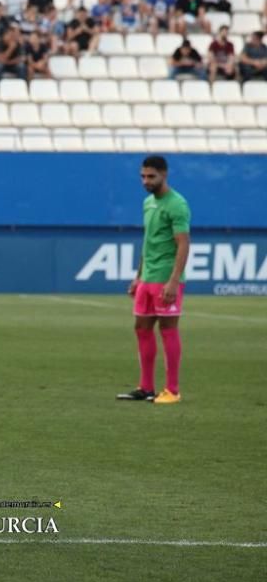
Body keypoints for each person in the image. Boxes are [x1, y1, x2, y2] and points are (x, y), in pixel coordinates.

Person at [119, 156, 189, 405]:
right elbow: (148, 242)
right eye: (143, 176)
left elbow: (183, 244)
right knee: (141, 328)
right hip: (147, 278)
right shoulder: (148, 203)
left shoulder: (177, 204)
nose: (145, 181)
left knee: (168, 330)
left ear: (164, 175)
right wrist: (138, 276)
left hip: (165, 279)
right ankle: (146, 387)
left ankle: (172, 390)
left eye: (151, 176)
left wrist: (173, 281)